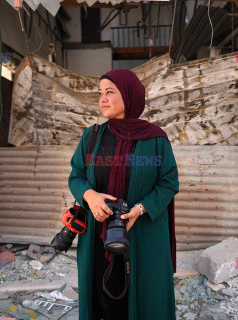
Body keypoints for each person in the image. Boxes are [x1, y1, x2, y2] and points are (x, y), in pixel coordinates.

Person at [68, 69, 179, 320]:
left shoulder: (155, 139)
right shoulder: (92, 136)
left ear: (129, 96)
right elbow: (76, 176)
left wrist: (140, 209)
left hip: (141, 235)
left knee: (142, 298)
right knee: (102, 299)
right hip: (99, 235)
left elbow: (169, 182)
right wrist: (90, 196)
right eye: (100, 93)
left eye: (110, 92)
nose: (102, 99)